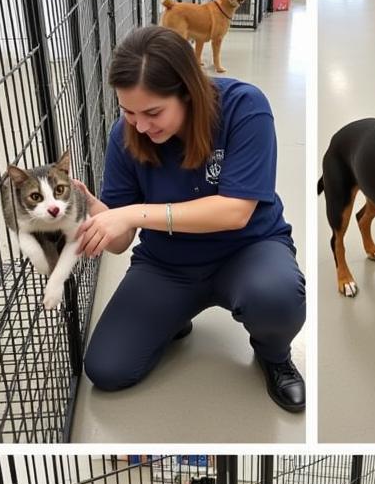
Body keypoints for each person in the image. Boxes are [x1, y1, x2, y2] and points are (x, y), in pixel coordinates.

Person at [74, 26, 305, 412]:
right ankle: (173, 317)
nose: (140, 125)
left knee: (277, 296)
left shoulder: (243, 107)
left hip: (248, 250)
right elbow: (119, 242)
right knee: (107, 370)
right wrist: (95, 216)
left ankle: (274, 354)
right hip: (169, 264)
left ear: (188, 90)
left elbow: (235, 211)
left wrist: (132, 213)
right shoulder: (125, 136)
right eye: (127, 111)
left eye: (152, 112)